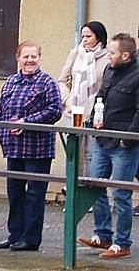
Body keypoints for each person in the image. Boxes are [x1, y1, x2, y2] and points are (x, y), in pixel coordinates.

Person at [0, 41, 62, 252]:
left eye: (34, 56)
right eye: (26, 56)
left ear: (39, 58)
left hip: (37, 148)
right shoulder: (11, 82)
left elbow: (55, 110)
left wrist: (27, 122)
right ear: (18, 58)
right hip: (13, 147)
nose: (30, 60)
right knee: (14, 192)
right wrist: (3, 131)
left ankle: (31, 239)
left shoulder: (47, 82)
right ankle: (14, 234)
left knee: (34, 194)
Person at [78, 33, 139, 259]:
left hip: (124, 144)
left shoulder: (137, 75)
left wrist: (128, 138)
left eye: (112, 53)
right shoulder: (110, 71)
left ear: (125, 55)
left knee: (121, 194)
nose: (108, 56)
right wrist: (93, 120)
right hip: (102, 139)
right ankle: (103, 235)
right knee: (95, 187)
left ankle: (122, 243)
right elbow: (100, 98)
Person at [57, 21, 109, 177]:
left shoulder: (106, 56)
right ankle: (72, 186)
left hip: (95, 112)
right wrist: (68, 100)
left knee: (91, 153)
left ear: (98, 38)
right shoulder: (76, 53)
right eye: (83, 36)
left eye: (89, 36)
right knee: (73, 151)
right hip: (75, 110)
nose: (84, 40)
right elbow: (62, 81)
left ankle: (89, 188)